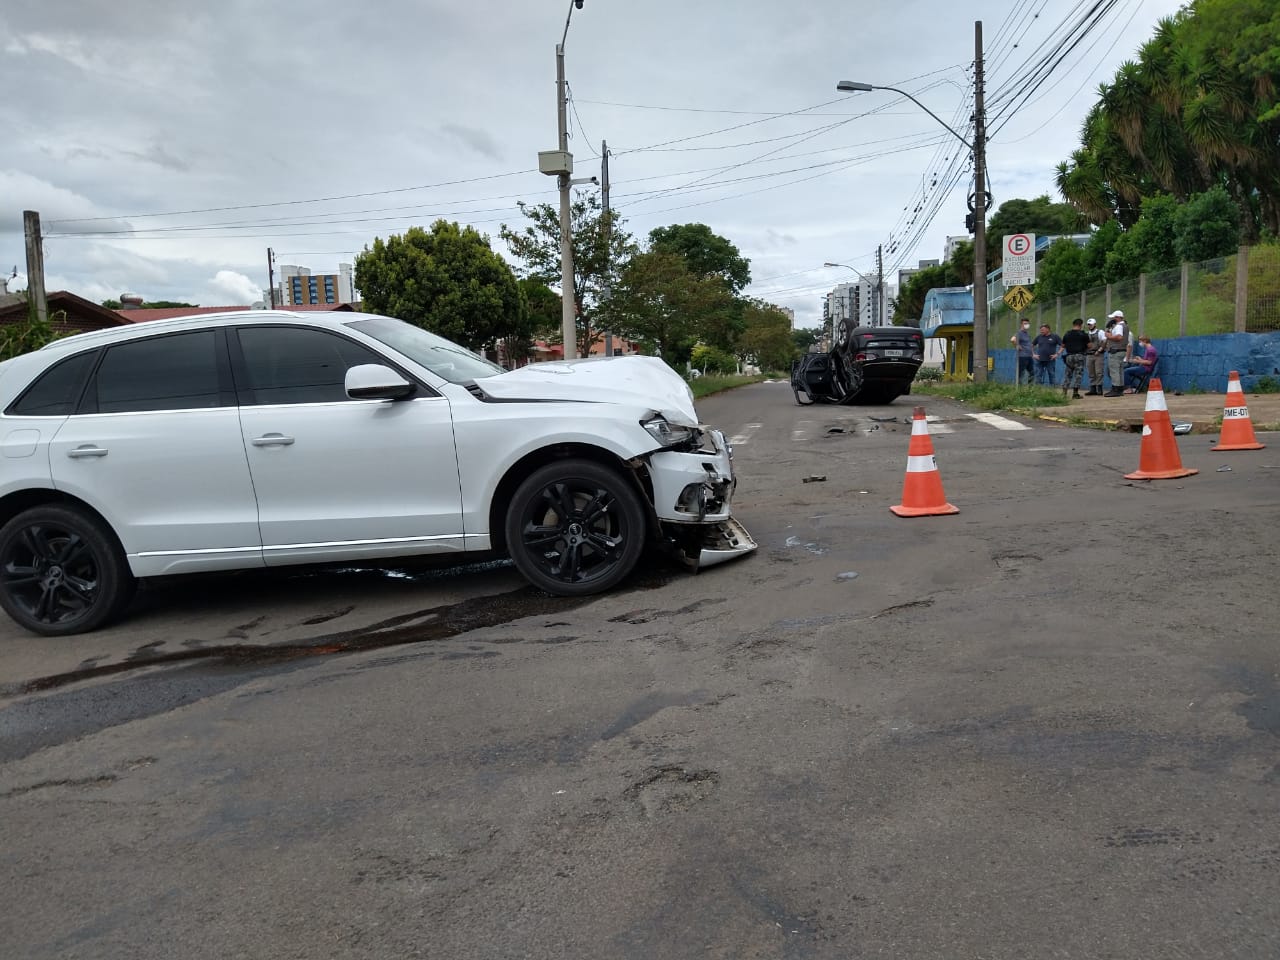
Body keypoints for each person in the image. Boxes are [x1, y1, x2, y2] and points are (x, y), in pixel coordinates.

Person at [1060, 317, 1090, 399]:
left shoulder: (1067, 334)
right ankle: (1075, 393)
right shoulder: (1083, 334)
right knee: (1078, 374)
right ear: (1081, 325)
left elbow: (1063, 345)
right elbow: (1089, 346)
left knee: (1068, 374)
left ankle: (1064, 392)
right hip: (1079, 356)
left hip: (1069, 356)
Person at [1103, 309, 1128, 397]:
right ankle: (1120, 388)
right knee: (1120, 370)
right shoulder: (1124, 325)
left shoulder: (1118, 326)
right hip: (1122, 350)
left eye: (1113, 318)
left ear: (1117, 318)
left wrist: (1109, 336)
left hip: (1116, 350)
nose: (1112, 320)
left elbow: (1119, 337)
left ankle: (1116, 388)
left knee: (1114, 370)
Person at [1084, 318, 1106, 395]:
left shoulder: (1100, 332)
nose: (1089, 326)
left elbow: (1104, 342)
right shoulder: (1086, 334)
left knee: (1099, 372)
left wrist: (1099, 350)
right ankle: (1093, 388)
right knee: (1091, 372)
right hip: (1089, 354)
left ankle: (1099, 388)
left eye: (1091, 324)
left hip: (1098, 354)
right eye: (1088, 325)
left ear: (1095, 324)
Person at [1010, 318, 1033, 385]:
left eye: (1027, 324)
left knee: (1032, 372)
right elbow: (1012, 339)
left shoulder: (1027, 334)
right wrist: (1017, 346)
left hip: (1029, 356)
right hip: (1022, 356)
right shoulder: (1019, 332)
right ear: (1021, 324)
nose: (1026, 325)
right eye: (1025, 324)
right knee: (1021, 372)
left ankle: (1030, 387)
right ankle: (1019, 387)